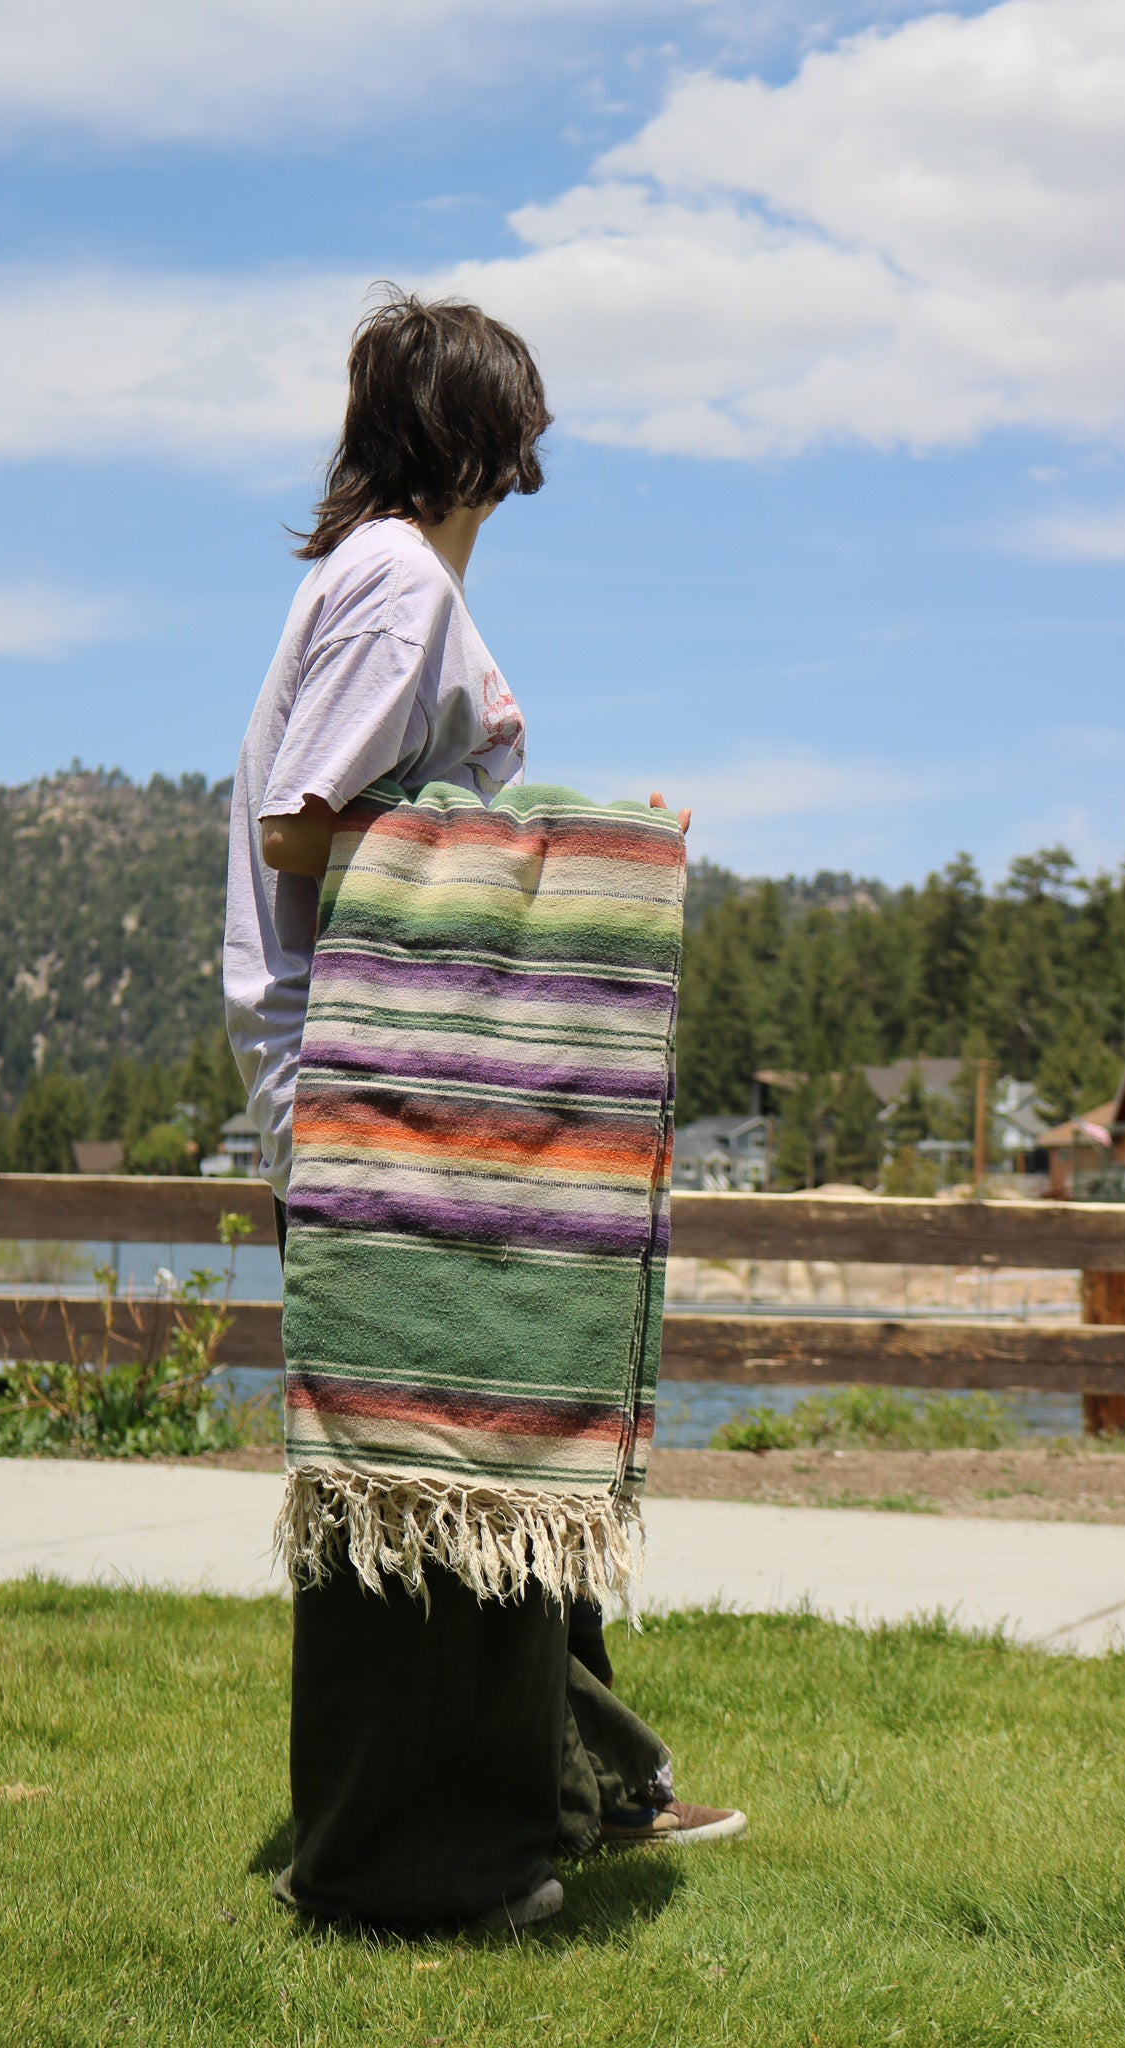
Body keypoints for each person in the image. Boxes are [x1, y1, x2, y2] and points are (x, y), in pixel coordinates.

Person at [224, 291, 743, 1934]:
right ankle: (417, 1861)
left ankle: (580, 1788)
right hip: (380, 1092)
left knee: (508, 1439)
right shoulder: (391, 582)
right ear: (488, 435)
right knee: (433, 1461)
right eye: (519, 428)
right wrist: (569, 852)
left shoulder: (380, 574)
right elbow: (314, 832)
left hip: (416, 1087)